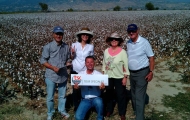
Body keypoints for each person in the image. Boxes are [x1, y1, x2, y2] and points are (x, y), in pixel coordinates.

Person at [40, 26, 71, 120]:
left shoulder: (66, 47)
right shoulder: (48, 47)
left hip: (62, 75)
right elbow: (43, 60)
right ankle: (50, 113)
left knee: (62, 96)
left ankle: (61, 110)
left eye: (60, 34)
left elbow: (68, 58)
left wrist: (68, 63)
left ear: (63, 35)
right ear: (53, 34)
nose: (58, 36)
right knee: (50, 96)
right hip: (51, 75)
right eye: (57, 34)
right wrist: (52, 67)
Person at [126, 24, 155, 120]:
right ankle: (136, 111)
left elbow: (151, 57)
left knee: (139, 96)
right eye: (129, 31)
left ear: (137, 31)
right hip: (132, 73)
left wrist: (150, 72)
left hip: (142, 72)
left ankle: (139, 117)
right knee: (133, 93)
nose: (131, 33)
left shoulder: (144, 42)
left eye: (133, 31)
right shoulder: (128, 42)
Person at [102, 32, 130, 120]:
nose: (114, 41)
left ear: (119, 41)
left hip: (119, 77)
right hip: (108, 76)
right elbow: (104, 64)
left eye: (116, 39)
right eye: (112, 39)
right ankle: (109, 110)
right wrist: (103, 75)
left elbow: (126, 65)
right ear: (109, 41)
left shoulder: (123, 52)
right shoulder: (106, 51)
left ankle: (122, 113)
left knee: (120, 95)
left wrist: (125, 77)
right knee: (109, 94)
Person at [74, 56, 105, 120]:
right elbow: (76, 87)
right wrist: (76, 87)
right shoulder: (80, 74)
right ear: (85, 64)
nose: (90, 64)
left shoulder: (99, 75)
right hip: (85, 99)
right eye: (87, 62)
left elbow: (103, 88)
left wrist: (102, 88)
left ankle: (100, 117)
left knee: (99, 102)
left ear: (94, 63)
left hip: (96, 98)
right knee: (78, 117)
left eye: (91, 62)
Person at [71, 27, 94, 111]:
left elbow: (91, 58)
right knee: (75, 88)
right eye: (83, 34)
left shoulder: (91, 46)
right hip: (75, 70)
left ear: (89, 36)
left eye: (87, 35)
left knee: (85, 88)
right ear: (80, 36)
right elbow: (71, 57)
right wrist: (72, 53)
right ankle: (76, 106)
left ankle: (85, 105)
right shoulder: (74, 44)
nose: (85, 36)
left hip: (85, 71)